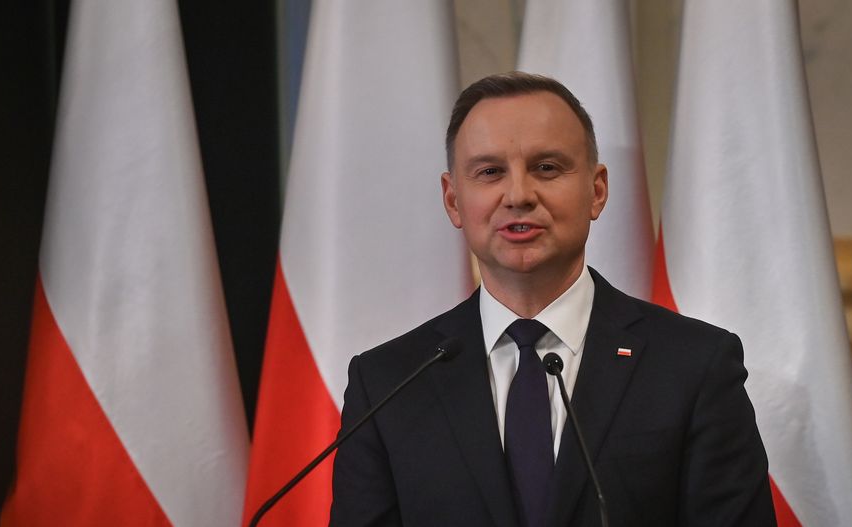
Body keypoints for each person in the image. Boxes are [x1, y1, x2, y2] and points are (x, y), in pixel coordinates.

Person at [330, 72, 776, 526]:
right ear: (453, 200)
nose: (519, 195)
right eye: (490, 172)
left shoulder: (694, 366)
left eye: (546, 168)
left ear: (596, 191)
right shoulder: (387, 383)